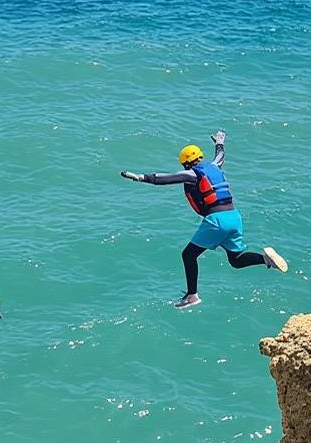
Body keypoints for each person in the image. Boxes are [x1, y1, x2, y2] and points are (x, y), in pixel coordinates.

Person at [121, 129, 288, 309]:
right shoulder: (215, 166)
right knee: (236, 260)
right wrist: (219, 142)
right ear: (200, 157)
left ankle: (192, 295)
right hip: (234, 217)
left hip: (217, 220)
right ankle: (265, 259)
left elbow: (165, 179)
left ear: (186, 163)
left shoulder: (192, 174)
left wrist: (139, 178)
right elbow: (220, 154)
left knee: (188, 255)